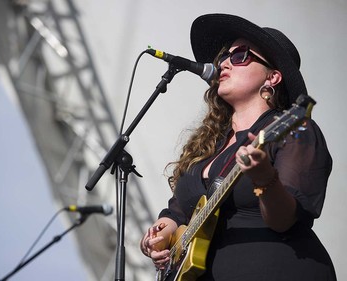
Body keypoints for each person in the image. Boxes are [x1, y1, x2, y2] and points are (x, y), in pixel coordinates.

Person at [140, 13, 336, 281]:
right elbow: (177, 212)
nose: (224, 63)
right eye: (224, 56)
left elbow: (285, 219)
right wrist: (160, 237)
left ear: (273, 77)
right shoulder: (208, 144)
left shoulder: (293, 131)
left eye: (240, 55)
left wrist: (264, 178)